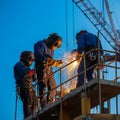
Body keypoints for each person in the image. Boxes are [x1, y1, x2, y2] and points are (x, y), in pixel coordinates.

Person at [34, 33, 63, 109]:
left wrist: (56, 62)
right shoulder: (40, 44)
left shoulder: (51, 50)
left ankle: (49, 103)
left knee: (53, 86)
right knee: (43, 86)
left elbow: (50, 60)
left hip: (49, 69)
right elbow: (39, 57)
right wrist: (52, 62)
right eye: (55, 46)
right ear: (52, 41)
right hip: (41, 68)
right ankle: (43, 105)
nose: (55, 48)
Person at [14, 51, 40, 118]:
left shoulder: (26, 67)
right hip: (24, 87)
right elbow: (25, 74)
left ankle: (34, 115)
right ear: (27, 58)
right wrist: (33, 72)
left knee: (35, 101)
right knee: (29, 103)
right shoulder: (19, 65)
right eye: (31, 60)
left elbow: (33, 79)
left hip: (29, 88)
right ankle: (29, 117)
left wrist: (36, 73)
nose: (31, 62)